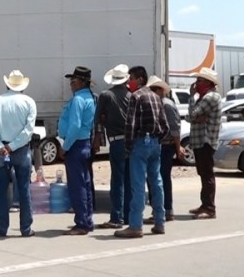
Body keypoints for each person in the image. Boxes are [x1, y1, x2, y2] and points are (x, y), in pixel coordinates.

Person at [114, 66, 169, 239]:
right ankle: (160, 221)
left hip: (140, 142)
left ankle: (135, 225)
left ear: (139, 80)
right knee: (156, 183)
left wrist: (128, 147)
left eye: (131, 78)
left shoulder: (136, 97)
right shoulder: (156, 97)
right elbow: (165, 125)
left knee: (137, 185)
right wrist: (157, 139)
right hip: (154, 143)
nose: (129, 81)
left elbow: (130, 125)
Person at [0, 70, 37, 238]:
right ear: (22, 86)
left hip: (1, 151)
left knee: (2, 190)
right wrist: (13, 146)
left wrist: (0, 146)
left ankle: (2, 229)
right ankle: (25, 228)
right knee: (24, 189)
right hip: (20, 149)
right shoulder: (29, 102)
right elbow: (28, 130)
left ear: (7, 84)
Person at [58, 66, 97, 235]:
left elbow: (75, 126)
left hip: (76, 144)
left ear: (81, 82)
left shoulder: (78, 100)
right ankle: (87, 220)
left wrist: (65, 147)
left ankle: (81, 223)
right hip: (84, 143)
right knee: (85, 184)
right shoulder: (90, 98)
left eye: (73, 81)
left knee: (77, 185)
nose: (71, 84)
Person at [92, 64, 131, 230]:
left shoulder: (106, 95)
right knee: (129, 180)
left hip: (116, 141)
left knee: (117, 181)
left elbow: (98, 118)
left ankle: (116, 217)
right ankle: (129, 215)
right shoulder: (132, 96)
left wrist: (97, 138)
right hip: (131, 141)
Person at [146, 76, 184, 223]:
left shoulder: (166, 105)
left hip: (166, 145)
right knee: (155, 178)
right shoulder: (157, 103)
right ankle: (160, 209)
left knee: (161, 178)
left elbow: (175, 128)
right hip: (159, 144)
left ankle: (166, 210)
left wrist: (177, 146)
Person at [187, 67, 223, 220]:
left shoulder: (209, 97)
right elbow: (195, 116)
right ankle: (205, 205)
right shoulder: (206, 97)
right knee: (204, 174)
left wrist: (191, 98)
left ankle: (209, 208)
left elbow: (191, 116)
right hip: (201, 141)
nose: (196, 84)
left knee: (207, 174)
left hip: (205, 141)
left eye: (199, 81)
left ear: (208, 82)